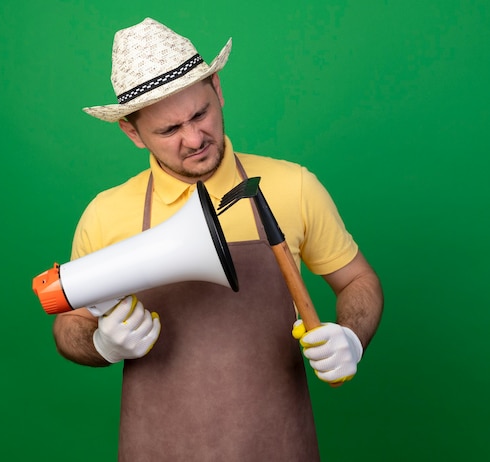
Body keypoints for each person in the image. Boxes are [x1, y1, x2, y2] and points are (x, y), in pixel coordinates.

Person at [52, 17, 383, 461]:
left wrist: (352, 337)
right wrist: (100, 344)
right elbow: (68, 323)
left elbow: (359, 280)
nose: (194, 139)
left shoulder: (294, 186)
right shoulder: (106, 213)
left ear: (218, 90)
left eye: (200, 113)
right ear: (132, 132)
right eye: (169, 131)